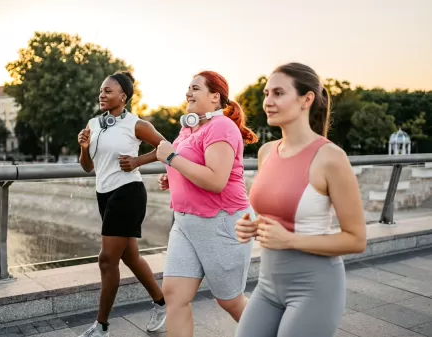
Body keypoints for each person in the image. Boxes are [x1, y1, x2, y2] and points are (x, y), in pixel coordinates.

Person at [234, 62, 367, 337]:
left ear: (306, 99)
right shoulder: (267, 152)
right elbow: (280, 214)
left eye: (278, 93)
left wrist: (291, 240)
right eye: (266, 93)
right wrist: (253, 227)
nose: (268, 102)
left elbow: (356, 239)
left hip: (315, 288)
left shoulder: (331, 158)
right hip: (267, 285)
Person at [155, 71, 259, 337]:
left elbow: (216, 181)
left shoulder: (222, 127)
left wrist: (172, 160)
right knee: (174, 295)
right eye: (187, 88)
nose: (188, 93)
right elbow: (189, 163)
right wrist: (174, 177)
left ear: (215, 97)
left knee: (230, 301)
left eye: (195, 88)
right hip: (186, 223)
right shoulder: (189, 127)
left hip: (222, 222)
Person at [77, 71, 167, 337]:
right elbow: (87, 167)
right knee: (130, 256)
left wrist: (138, 161)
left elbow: (166, 147)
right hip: (103, 193)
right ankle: (162, 304)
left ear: (123, 97)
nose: (102, 94)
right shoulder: (93, 123)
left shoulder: (136, 124)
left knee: (106, 259)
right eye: (101, 90)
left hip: (128, 192)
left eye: (108, 91)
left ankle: (102, 325)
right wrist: (83, 147)